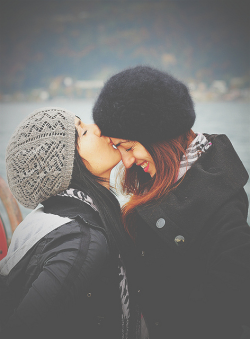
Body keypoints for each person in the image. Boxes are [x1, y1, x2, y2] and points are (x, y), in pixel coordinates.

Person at [92, 66, 250, 339]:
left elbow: (232, 309)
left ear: (159, 135)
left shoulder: (222, 210)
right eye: (119, 149)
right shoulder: (171, 179)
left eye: (129, 147)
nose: (126, 161)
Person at [0, 107, 140, 339]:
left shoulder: (53, 218)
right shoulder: (82, 240)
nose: (98, 128)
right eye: (83, 132)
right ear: (66, 164)